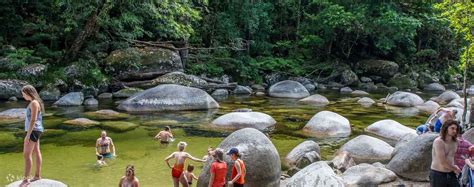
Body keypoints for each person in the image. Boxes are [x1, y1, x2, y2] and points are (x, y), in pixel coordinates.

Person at [20, 85, 45, 186]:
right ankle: (37, 175)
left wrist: (28, 135)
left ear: (28, 93)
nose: (23, 96)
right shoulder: (35, 102)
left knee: (26, 154)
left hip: (33, 131)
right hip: (36, 130)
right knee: (36, 151)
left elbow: (33, 120)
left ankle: (26, 180)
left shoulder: (34, 103)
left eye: (23, 94)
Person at [430, 120, 461, 187]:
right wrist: (455, 168)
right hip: (438, 174)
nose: (454, 131)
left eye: (456, 129)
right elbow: (442, 162)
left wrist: (455, 166)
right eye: (452, 128)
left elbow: (453, 156)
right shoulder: (439, 142)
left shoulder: (455, 142)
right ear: (446, 128)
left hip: (451, 173)